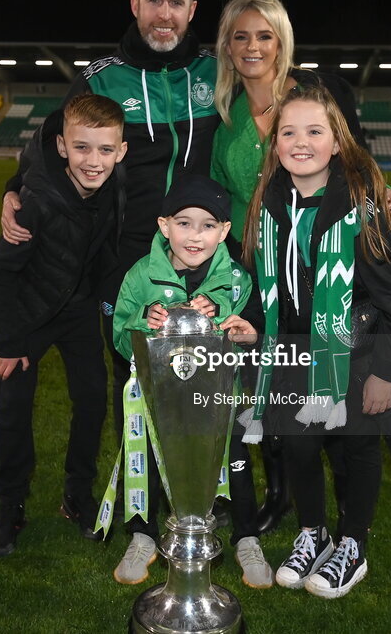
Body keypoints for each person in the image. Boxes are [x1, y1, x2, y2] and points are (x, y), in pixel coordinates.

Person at [0, 0, 220, 525]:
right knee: (132, 377)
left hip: (202, 255)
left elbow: (285, 106)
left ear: (193, 9)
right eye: (154, 0)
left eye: (176, 2)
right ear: (135, 4)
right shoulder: (102, 78)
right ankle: (140, 494)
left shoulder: (217, 72)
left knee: (201, 375)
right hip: (124, 260)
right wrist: (15, 188)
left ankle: (198, 491)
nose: (165, 13)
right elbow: (51, 143)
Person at [240, 84, 391, 599]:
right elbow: (266, 286)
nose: (301, 142)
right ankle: (312, 533)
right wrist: (252, 326)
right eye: (288, 132)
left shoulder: (362, 205)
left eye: (315, 131)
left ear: (337, 142)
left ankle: (353, 543)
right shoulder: (269, 203)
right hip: (296, 353)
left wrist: (385, 372)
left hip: (358, 354)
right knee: (298, 443)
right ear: (275, 143)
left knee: (357, 447)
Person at [209, 0, 391, 534]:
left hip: (323, 267)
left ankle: (348, 516)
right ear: (227, 47)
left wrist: (380, 196)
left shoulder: (316, 95)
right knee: (271, 386)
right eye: (240, 36)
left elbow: (354, 158)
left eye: (264, 35)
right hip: (257, 268)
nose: (252, 46)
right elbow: (219, 193)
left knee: (338, 392)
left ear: (282, 42)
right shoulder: (223, 118)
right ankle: (281, 494)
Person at [107, 175, 272, 587]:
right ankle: (143, 536)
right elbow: (120, 338)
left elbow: (249, 336)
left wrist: (230, 322)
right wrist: (142, 321)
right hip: (158, 400)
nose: (195, 236)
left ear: (224, 231)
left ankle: (247, 537)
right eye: (184, 223)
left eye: (207, 225)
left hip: (217, 400)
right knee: (146, 458)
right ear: (164, 226)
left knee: (235, 458)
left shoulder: (236, 279)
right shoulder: (141, 276)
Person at [0, 94, 128, 556]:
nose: (94, 160)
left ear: (121, 151)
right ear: (62, 146)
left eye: (105, 149)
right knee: (13, 409)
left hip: (77, 311)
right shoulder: (35, 202)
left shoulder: (116, 187)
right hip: (27, 316)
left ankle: (77, 494)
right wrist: (10, 342)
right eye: (81, 147)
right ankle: (11, 505)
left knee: (92, 400)